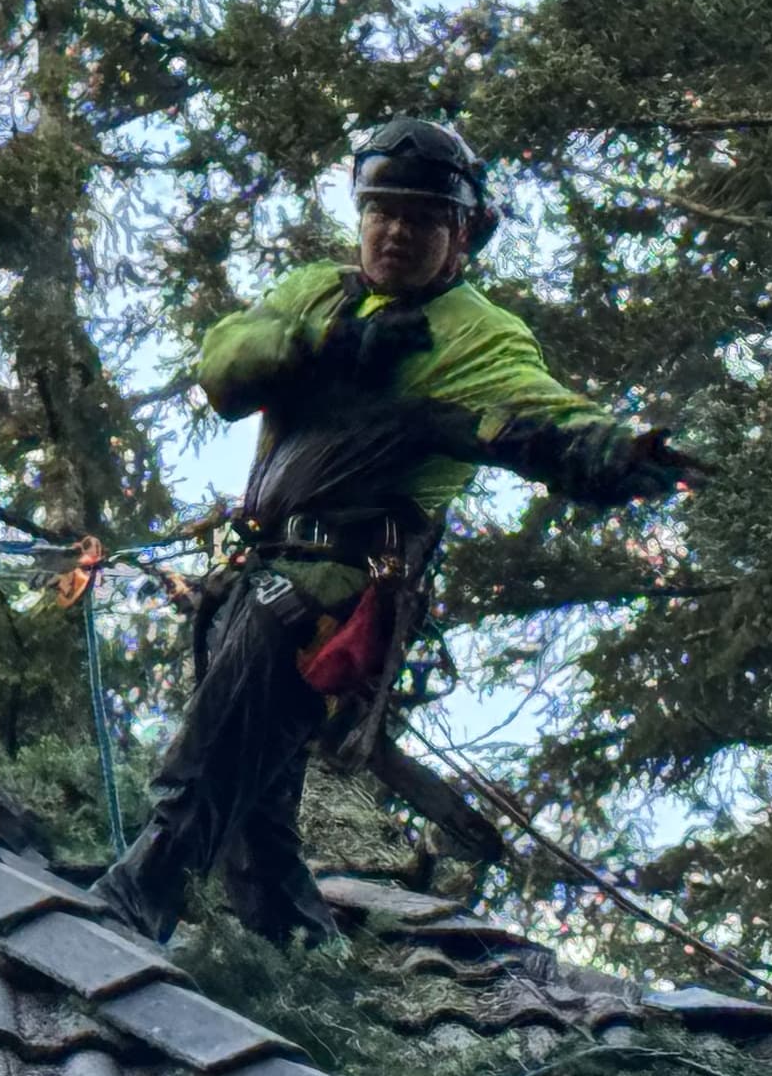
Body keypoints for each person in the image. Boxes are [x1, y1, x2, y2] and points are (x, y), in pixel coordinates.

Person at [92, 117, 690, 945]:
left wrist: (617, 454)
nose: (397, 231)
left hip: (330, 592)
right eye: (383, 211)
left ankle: (139, 894)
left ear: (462, 236)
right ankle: (294, 950)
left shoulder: (475, 335)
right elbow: (223, 367)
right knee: (260, 812)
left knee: (219, 748)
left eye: (423, 218)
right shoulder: (318, 296)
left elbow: (541, 419)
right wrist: (329, 343)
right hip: (261, 566)